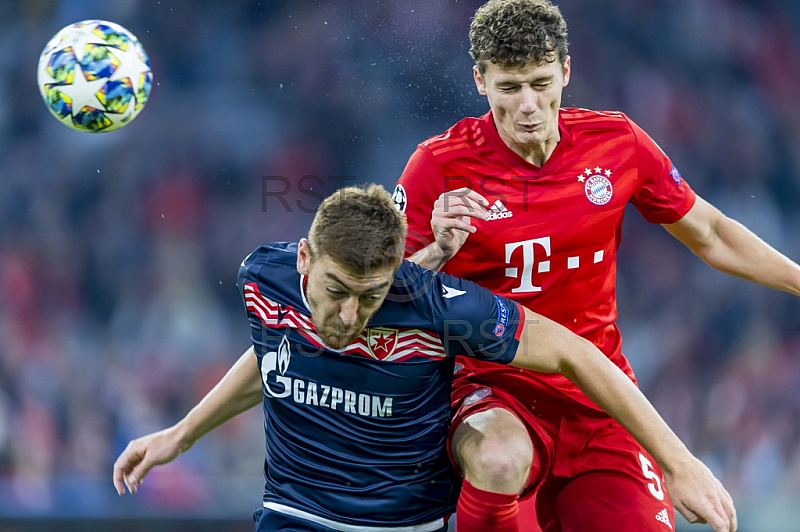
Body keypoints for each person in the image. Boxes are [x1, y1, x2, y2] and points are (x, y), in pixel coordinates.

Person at [394, 1, 800, 531]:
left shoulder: (616, 143)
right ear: (480, 81)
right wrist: (436, 254)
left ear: (566, 70)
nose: (528, 107)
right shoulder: (439, 165)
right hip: (493, 391)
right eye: (509, 88)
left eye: (541, 83)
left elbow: (712, 233)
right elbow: (386, 293)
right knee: (497, 458)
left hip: (600, 399)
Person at [113, 185, 734, 532]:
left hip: (406, 529)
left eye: (372, 297)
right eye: (336, 293)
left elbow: (577, 354)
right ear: (304, 259)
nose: (350, 317)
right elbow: (276, 354)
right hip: (294, 517)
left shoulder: (437, 304)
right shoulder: (263, 278)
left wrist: (677, 462)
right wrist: (181, 434)